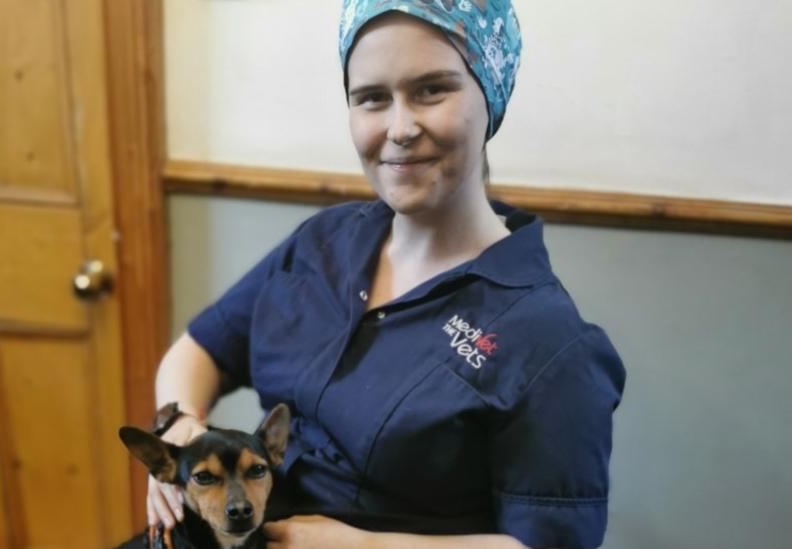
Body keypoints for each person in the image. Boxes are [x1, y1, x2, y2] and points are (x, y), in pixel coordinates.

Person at [149, 1, 626, 548]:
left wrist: (366, 546)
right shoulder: (324, 242)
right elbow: (201, 349)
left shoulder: (550, 343)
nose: (399, 128)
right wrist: (180, 433)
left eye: (432, 90)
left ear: (490, 97)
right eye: (372, 98)